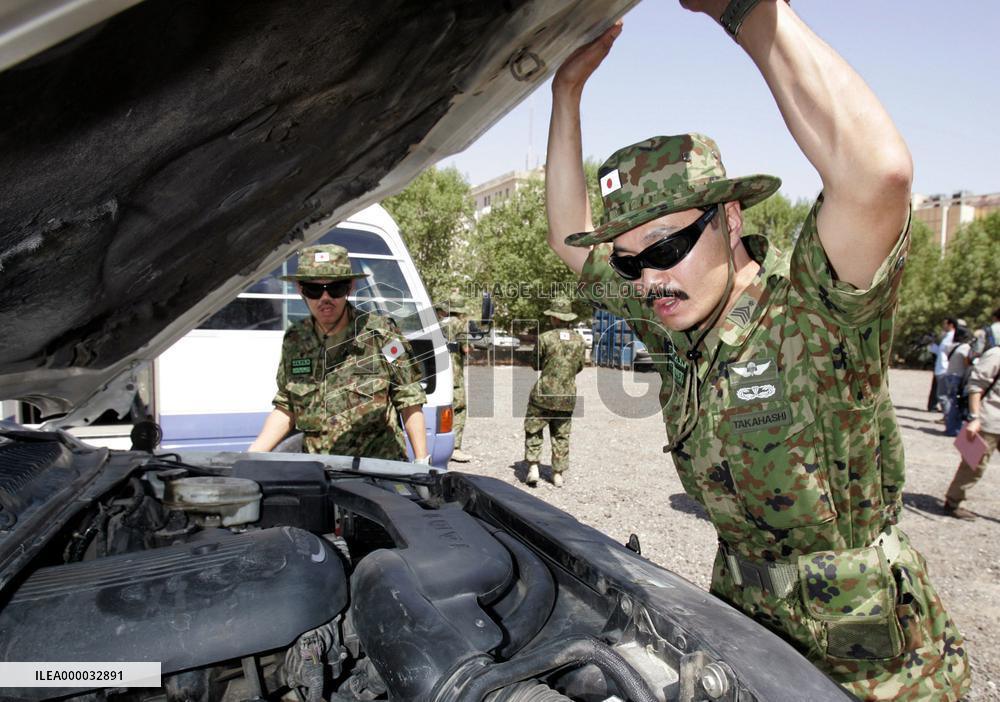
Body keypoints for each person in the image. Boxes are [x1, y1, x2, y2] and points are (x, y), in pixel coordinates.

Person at [544, 5, 969, 700]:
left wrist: (744, 13)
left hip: (872, 668)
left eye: (669, 244)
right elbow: (571, 241)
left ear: (730, 217)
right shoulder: (674, 325)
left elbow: (880, 176)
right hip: (746, 639)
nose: (650, 277)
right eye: (630, 263)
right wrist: (566, 94)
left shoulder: (814, 305)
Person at [248, 244, 429, 463]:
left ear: (350, 287)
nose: (325, 298)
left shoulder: (382, 334)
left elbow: (409, 397)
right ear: (300, 289)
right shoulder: (295, 340)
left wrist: (421, 462)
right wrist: (252, 455)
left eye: (335, 288)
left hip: (378, 471)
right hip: (319, 473)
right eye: (314, 290)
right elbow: (287, 405)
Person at [523, 296, 586, 488]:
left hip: (543, 394)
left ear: (554, 318)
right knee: (561, 434)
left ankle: (533, 467)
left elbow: (535, 364)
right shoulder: (579, 341)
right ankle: (557, 473)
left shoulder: (544, 339)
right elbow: (580, 366)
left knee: (533, 428)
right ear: (568, 318)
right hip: (567, 396)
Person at [943, 344, 1000, 519]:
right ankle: (953, 501)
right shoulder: (996, 354)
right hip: (989, 421)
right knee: (973, 465)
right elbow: (975, 385)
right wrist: (975, 417)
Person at [435, 291, 473, 463]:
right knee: (459, 408)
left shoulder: (437, 323)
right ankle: (455, 448)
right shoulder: (461, 324)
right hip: (454, 373)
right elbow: (466, 349)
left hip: (436, 372)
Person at [941, 326, 973, 437]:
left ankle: (949, 426)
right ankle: (953, 429)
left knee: (950, 401)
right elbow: (967, 363)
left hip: (949, 375)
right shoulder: (965, 347)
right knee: (956, 404)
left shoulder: (951, 346)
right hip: (958, 377)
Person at [926, 318, 956, 412]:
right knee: (941, 395)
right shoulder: (946, 336)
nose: (943, 326)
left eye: (945, 324)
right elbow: (940, 351)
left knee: (943, 396)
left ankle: (948, 418)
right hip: (940, 368)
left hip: (945, 368)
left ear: (951, 325)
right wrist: (931, 345)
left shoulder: (952, 336)